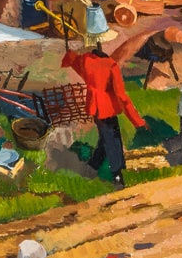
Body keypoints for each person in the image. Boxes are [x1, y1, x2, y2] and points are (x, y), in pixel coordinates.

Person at [61, 30, 145, 188]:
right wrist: (137, 121)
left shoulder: (85, 60)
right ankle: (117, 175)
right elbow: (121, 96)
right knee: (113, 141)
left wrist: (69, 53)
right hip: (108, 108)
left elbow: (71, 61)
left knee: (105, 137)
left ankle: (93, 165)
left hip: (94, 107)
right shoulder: (111, 65)